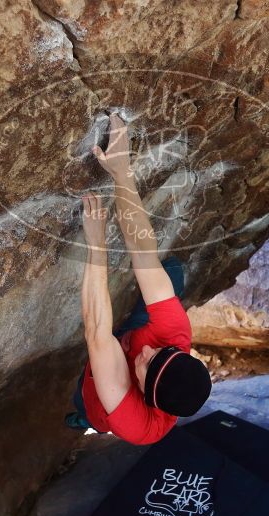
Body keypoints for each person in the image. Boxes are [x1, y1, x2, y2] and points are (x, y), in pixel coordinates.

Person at [65, 112, 212, 445]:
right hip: (132, 335)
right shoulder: (173, 336)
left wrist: (97, 242)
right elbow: (143, 253)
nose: (148, 353)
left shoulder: (137, 424)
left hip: (104, 390)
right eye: (161, 352)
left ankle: (83, 417)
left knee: (88, 400)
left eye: (148, 365)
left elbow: (97, 332)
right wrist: (121, 172)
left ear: (145, 394)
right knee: (167, 269)